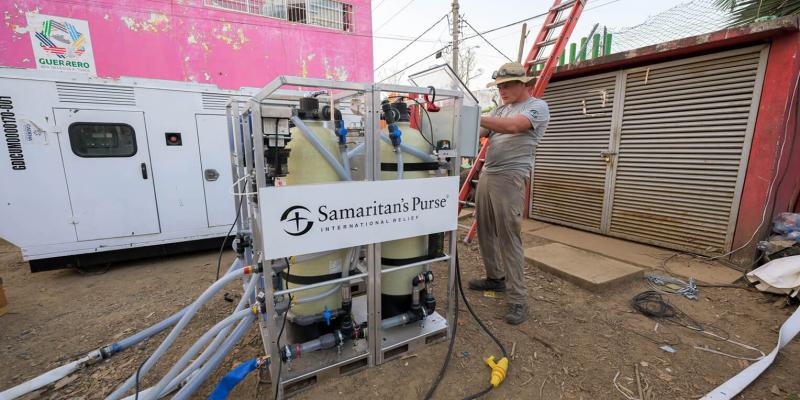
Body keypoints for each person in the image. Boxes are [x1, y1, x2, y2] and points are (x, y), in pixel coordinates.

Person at [468, 62, 550, 325]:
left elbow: (515, 127)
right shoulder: (501, 109)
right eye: (499, 86)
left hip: (510, 176)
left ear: (525, 84)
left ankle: (517, 299)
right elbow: (479, 133)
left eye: (507, 85)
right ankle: (495, 278)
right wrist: (456, 125)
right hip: (489, 173)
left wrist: (474, 117)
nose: (502, 90)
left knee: (508, 237)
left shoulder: (536, 107)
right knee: (485, 231)